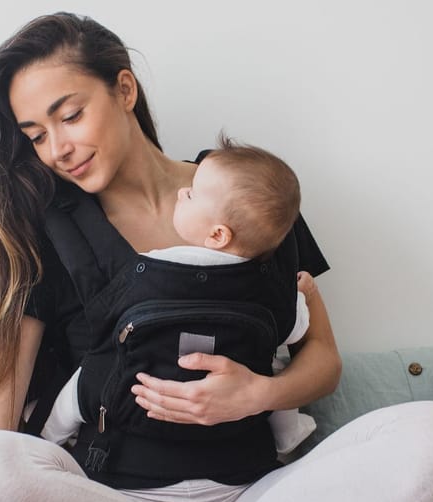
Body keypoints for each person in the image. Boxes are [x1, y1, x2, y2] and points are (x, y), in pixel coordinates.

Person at [0, 12, 433, 502]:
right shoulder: (45, 232)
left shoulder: (249, 196)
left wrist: (258, 394)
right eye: (34, 135)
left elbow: (322, 360)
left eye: (69, 115)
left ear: (125, 90)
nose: (57, 148)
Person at [38, 135, 317, 457]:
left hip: (139, 410)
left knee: (86, 379)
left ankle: (48, 437)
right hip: (234, 441)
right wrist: (303, 295)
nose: (182, 192)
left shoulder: (152, 263)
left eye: (192, 194)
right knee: (278, 374)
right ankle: (288, 435)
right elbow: (295, 330)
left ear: (217, 234)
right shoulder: (271, 284)